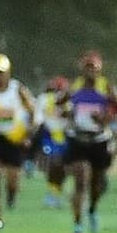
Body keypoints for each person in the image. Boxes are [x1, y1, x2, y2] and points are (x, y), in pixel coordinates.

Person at [0, 53, 38, 231]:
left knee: (12, 180)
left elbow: (32, 110)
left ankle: (11, 194)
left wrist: (28, 133)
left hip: (14, 137)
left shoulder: (17, 89)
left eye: (2, 73)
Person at [65, 52, 117, 233]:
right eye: (87, 67)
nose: (90, 71)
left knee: (97, 183)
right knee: (80, 180)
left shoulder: (106, 87)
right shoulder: (75, 86)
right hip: (78, 138)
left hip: (99, 139)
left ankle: (93, 209)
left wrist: (105, 118)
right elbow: (62, 103)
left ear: (99, 69)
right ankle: (78, 225)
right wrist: (67, 112)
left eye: (94, 68)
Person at [36, 77, 73, 210]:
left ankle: (55, 193)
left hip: (66, 138)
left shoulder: (70, 102)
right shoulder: (44, 99)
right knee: (54, 163)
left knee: (62, 168)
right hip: (49, 137)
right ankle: (52, 194)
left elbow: (71, 117)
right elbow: (38, 119)